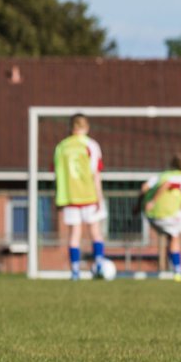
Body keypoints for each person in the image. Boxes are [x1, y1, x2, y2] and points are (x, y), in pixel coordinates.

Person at [53, 113, 107, 280]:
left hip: (69, 197)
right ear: (87, 127)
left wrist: (59, 196)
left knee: (74, 235)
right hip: (88, 194)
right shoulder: (90, 145)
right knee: (95, 232)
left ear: (71, 127)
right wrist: (99, 196)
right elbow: (95, 173)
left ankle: (75, 271)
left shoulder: (61, 147)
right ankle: (98, 265)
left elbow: (57, 173)